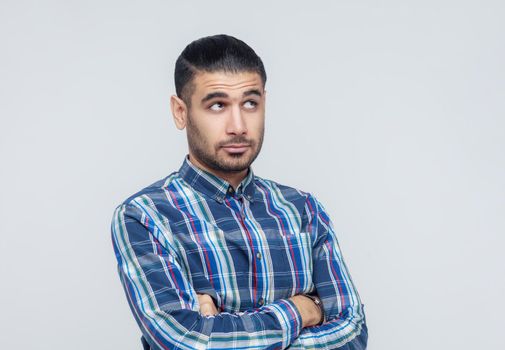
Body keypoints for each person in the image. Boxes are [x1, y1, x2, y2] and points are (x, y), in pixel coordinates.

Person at [111, 34, 367, 350]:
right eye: (217, 105)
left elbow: (353, 334)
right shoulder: (146, 216)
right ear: (181, 112)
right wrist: (303, 310)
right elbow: (186, 342)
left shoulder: (303, 210)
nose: (238, 126)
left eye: (250, 103)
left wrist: (222, 331)